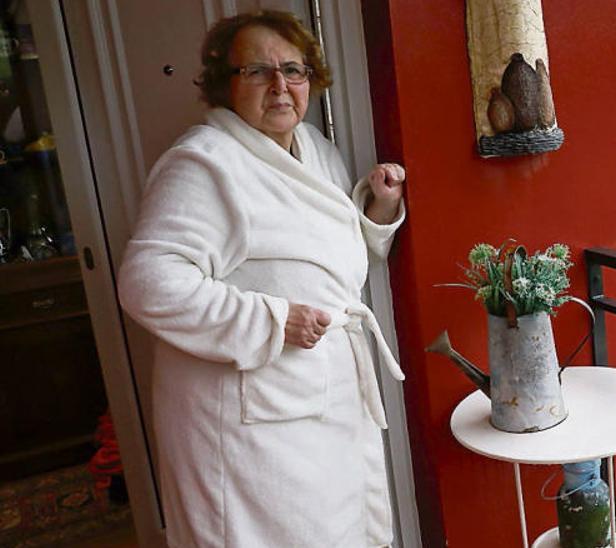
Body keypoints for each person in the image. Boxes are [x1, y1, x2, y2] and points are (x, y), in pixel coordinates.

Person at [117, 10, 407, 547]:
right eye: (256, 71)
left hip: (321, 402)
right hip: (253, 419)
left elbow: (328, 262)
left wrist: (378, 209)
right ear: (224, 85)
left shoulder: (315, 150)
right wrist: (271, 320)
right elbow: (147, 282)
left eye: (293, 71)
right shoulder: (203, 163)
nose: (279, 86)